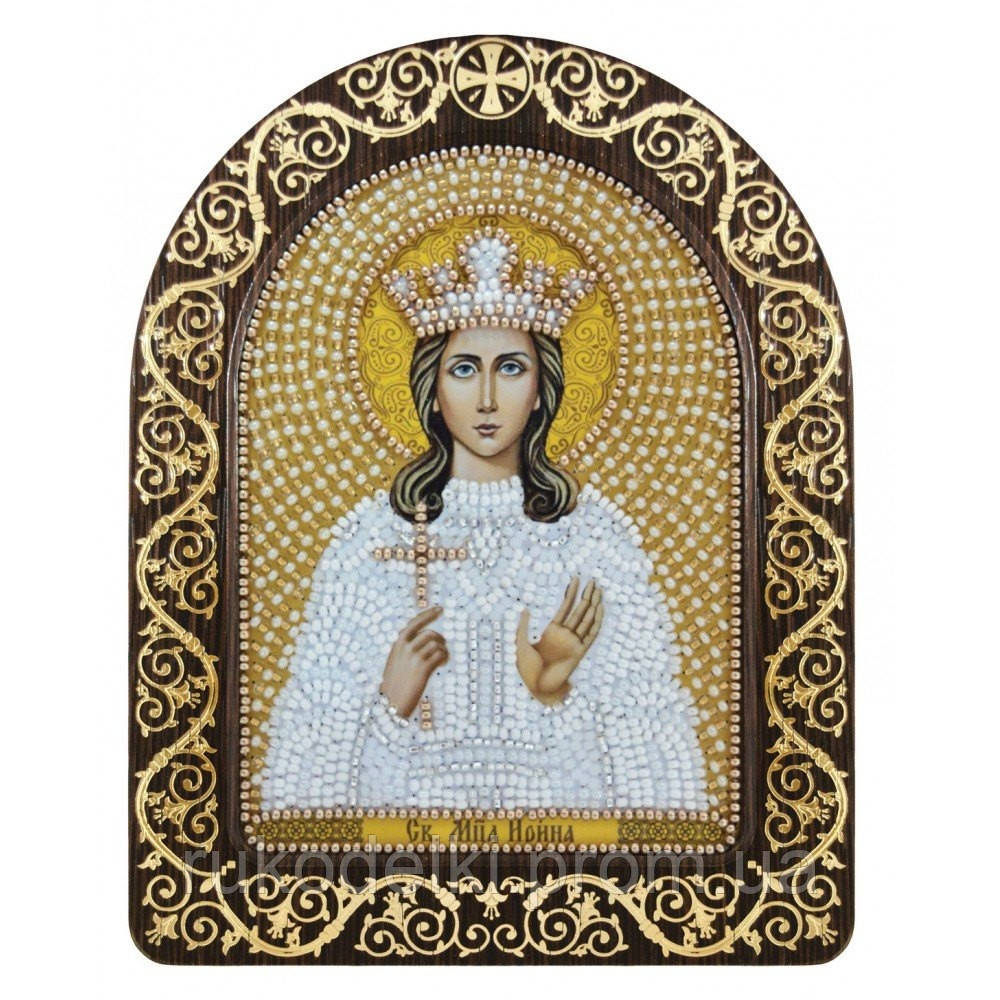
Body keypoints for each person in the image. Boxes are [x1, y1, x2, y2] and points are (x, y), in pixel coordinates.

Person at [259, 229, 707, 813]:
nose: (488, 398)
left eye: (512, 368)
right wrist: (390, 703)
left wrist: (555, 691)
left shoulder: (595, 544)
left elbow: (654, 766)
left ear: (542, 389)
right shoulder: (369, 543)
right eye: (465, 369)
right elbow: (301, 779)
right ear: (432, 389)